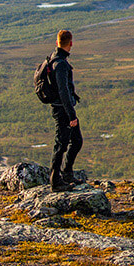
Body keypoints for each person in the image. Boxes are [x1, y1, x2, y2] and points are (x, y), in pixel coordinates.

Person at [48, 29, 83, 192]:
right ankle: (55, 181)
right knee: (61, 144)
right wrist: (71, 115)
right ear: (71, 43)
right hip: (63, 110)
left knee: (76, 141)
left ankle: (67, 173)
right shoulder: (60, 64)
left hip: (63, 108)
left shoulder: (55, 59)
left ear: (57, 43)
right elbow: (63, 92)